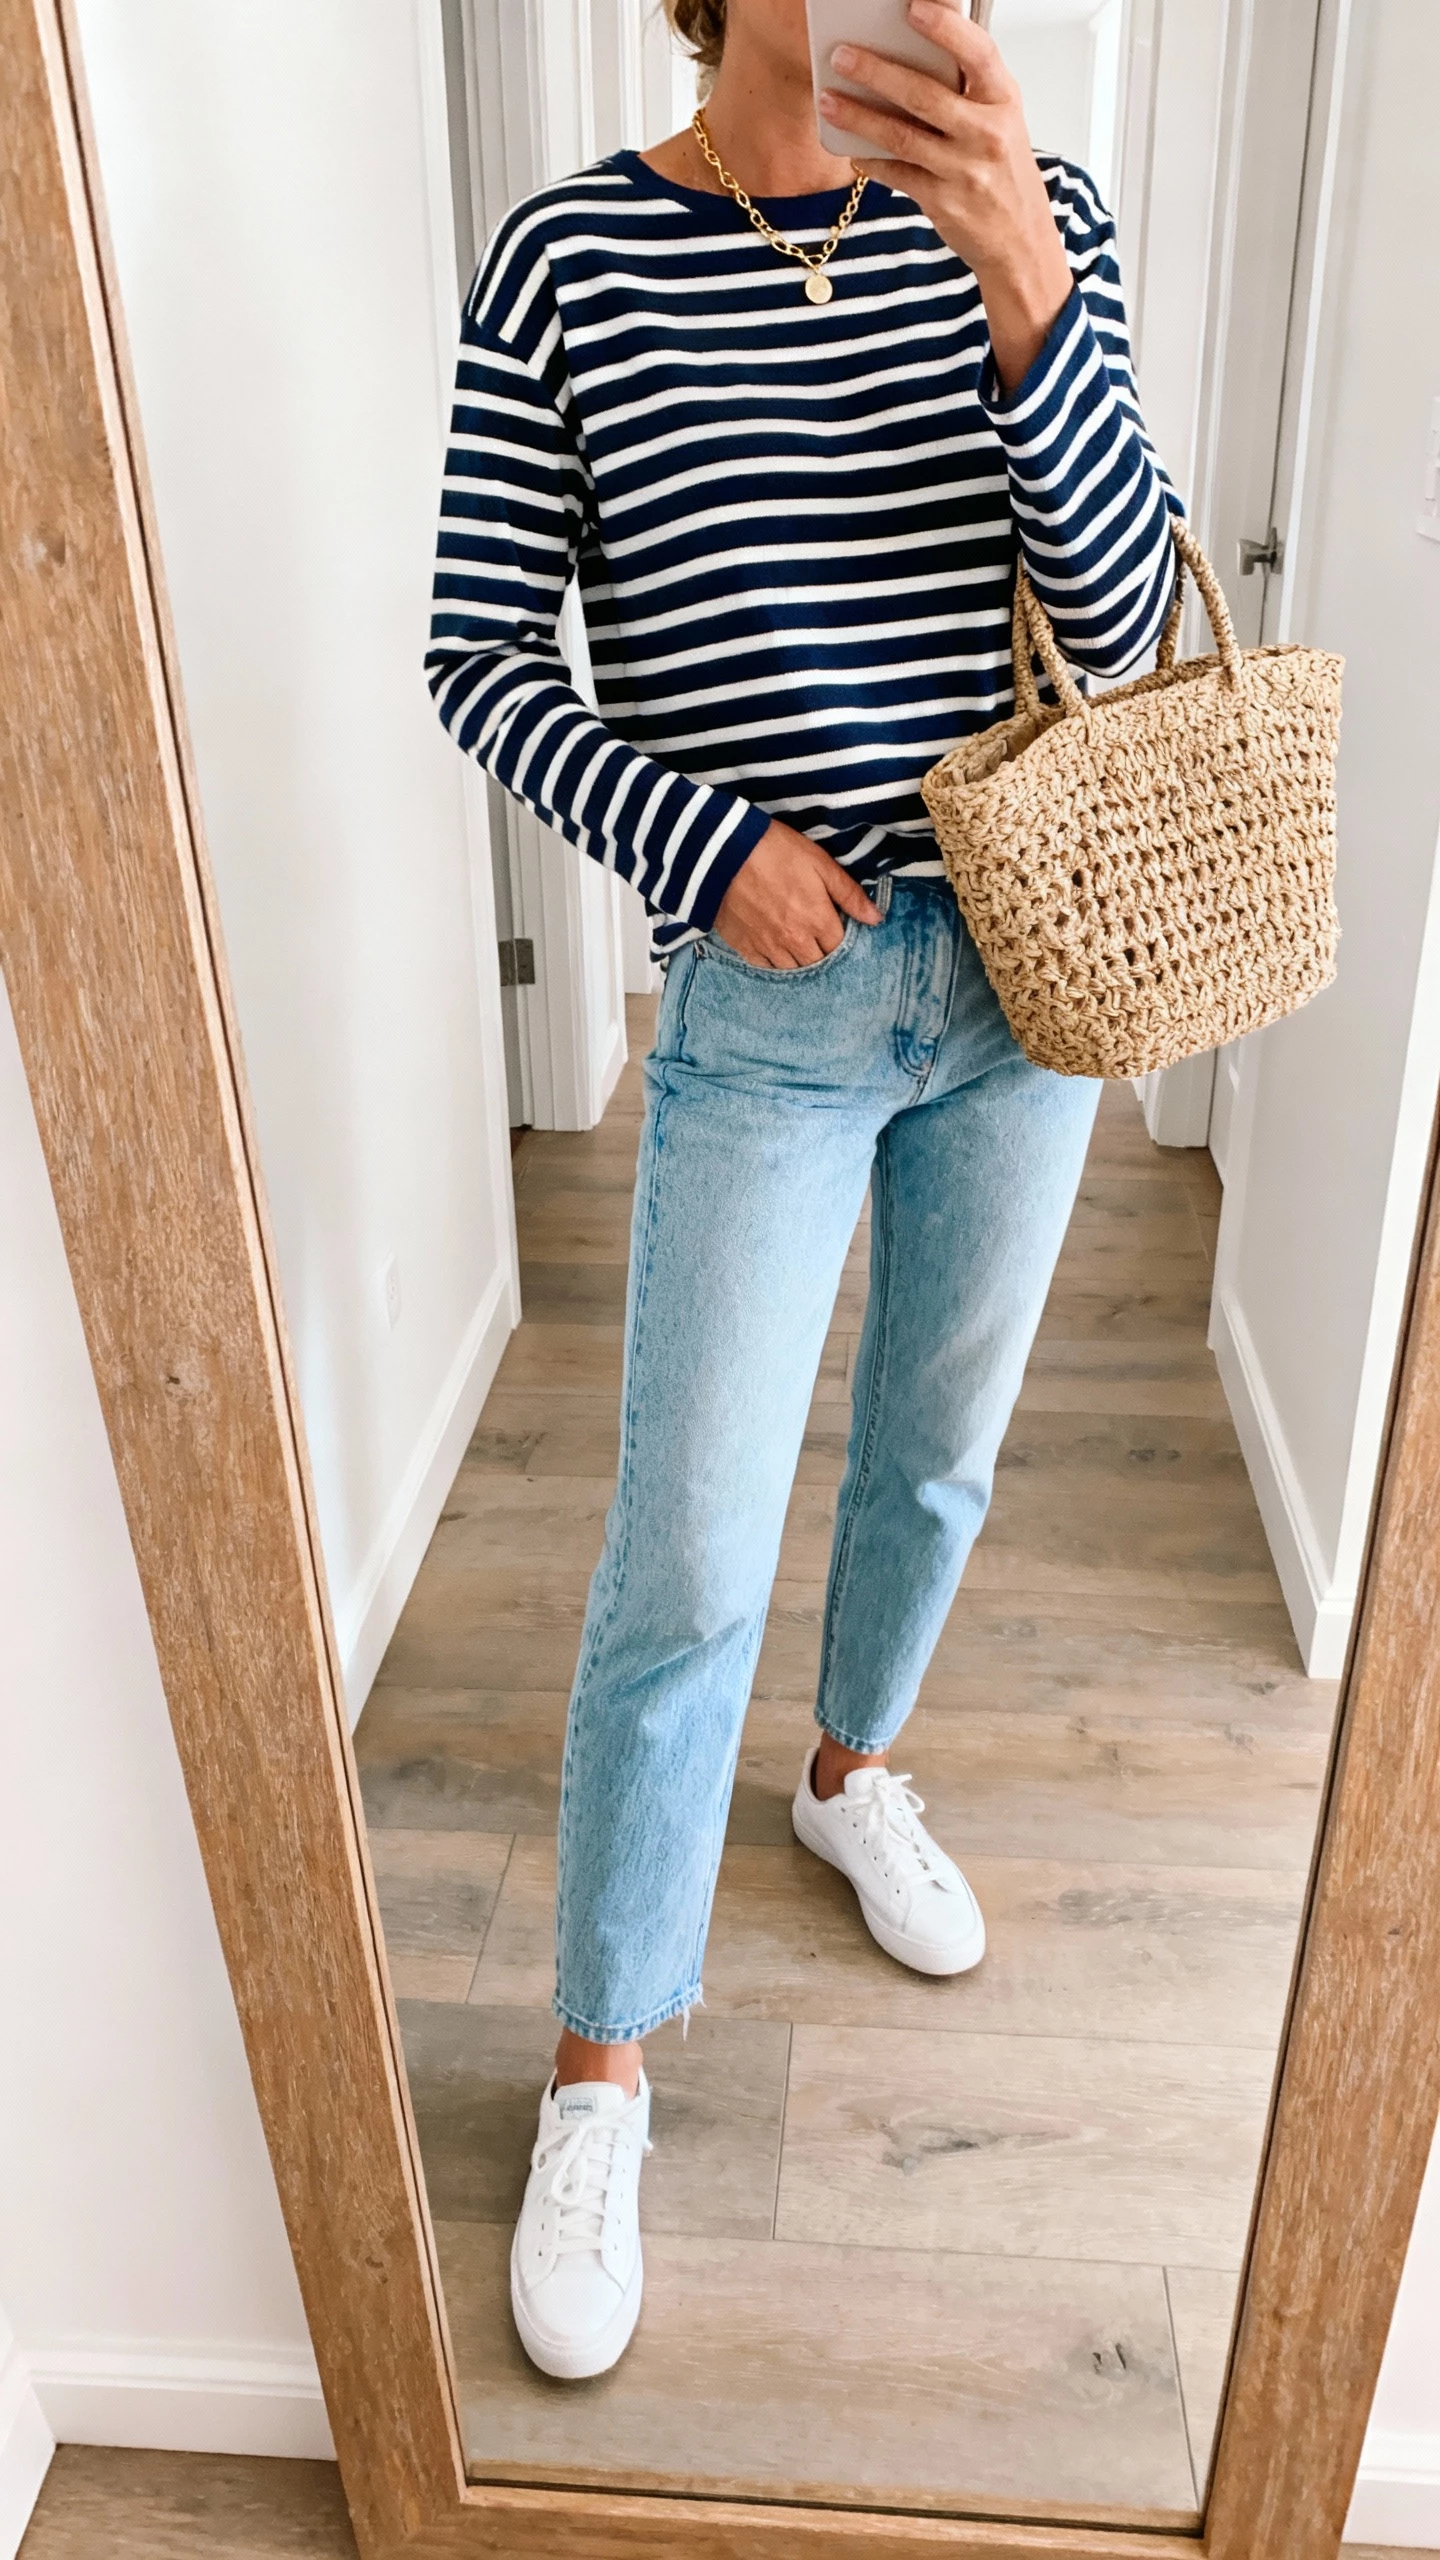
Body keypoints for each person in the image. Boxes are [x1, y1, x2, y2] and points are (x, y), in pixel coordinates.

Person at [427, 0, 1178, 2382]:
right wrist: (701, 843)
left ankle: (855, 1772)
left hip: (1027, 965)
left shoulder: (1039, 221)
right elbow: (477, 656)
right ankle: (604, 2056)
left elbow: (1140, 614)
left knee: (944, 1453)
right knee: (688, 1554)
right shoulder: (570, 259)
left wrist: (1030, 302)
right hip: (767, 998)